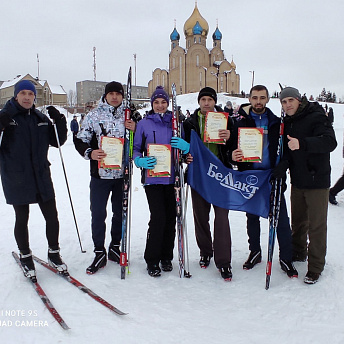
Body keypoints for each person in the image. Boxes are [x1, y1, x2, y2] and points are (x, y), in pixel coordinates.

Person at [0, 80, 68, 279]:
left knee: (52, 216)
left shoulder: (40, 118)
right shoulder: (7, 117)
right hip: (17, 176)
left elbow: (57, 141)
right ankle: (25, 256)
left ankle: (54, 254)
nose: (27, 97)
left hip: (40, 175)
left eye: (31, 94)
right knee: (22, 218)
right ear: (16, 96)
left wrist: (60, 121)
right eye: (23, 94)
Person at [229, 85, 298, 278]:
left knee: (281, 219)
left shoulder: (277, 122)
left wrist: (282, 166)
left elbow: (286, 152)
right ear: (249, 99)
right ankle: (255, 251)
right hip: (251, 177)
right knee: (252, 217)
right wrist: (233, 156)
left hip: (271, 177)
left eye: (262, 98)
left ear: (268, 99)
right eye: (255, 98)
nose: (258, 101)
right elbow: (231, 149)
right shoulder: (241, 122)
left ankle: (286, 257)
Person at [74, 81, 137, 274]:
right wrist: (90, 153)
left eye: (118, 94)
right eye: (111, 94)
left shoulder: (131, 114)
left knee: (120, 213)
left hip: (122, 174)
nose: (115, 97)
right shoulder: (94, 115)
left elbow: (141, 141)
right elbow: (80, 139)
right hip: (100, 175)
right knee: (99, 213)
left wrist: (135, 128)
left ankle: (114, 247)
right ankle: (99, 250)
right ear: (106, 96)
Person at [276, 87, 337, 284]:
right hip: (298, 180)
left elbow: (330, 142)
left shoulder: (316, 115)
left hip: (317, 180)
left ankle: (316, 266)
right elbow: (288, 150)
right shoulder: (287, 121)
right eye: (284, 102)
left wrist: (303, 143)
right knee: (299, 221)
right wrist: (282, 166)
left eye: (290, 101)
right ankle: (299, 252)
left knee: (316, 226)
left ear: (299, 100)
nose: (287, 105)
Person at [133, 86, 190, 277]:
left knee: (171, 218)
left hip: (172, 177)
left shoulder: (175, 122)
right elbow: (136, 149)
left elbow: (183, 151)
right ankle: (152, 259)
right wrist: (139, 160)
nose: (160, 106)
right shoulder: (144, 123)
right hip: (153, 178)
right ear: (152, 104)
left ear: (168, 103)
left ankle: (167, 257)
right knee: (158, 218)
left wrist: (184, 148)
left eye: (163, 102)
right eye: (156, 102)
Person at [183, 86, 233, 280]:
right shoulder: (190, 122)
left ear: (214, 101)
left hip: (220, 174)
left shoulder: (225, 119)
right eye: (203, 100)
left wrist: (229, 139)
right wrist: (185, 157)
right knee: (200, 215)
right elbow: (182, 146)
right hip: (199, 174)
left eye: (209, 100)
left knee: (221, 217)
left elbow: (235, 147)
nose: (206, 103)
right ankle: (205, 251)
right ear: (199, 102)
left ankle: (224, 261)